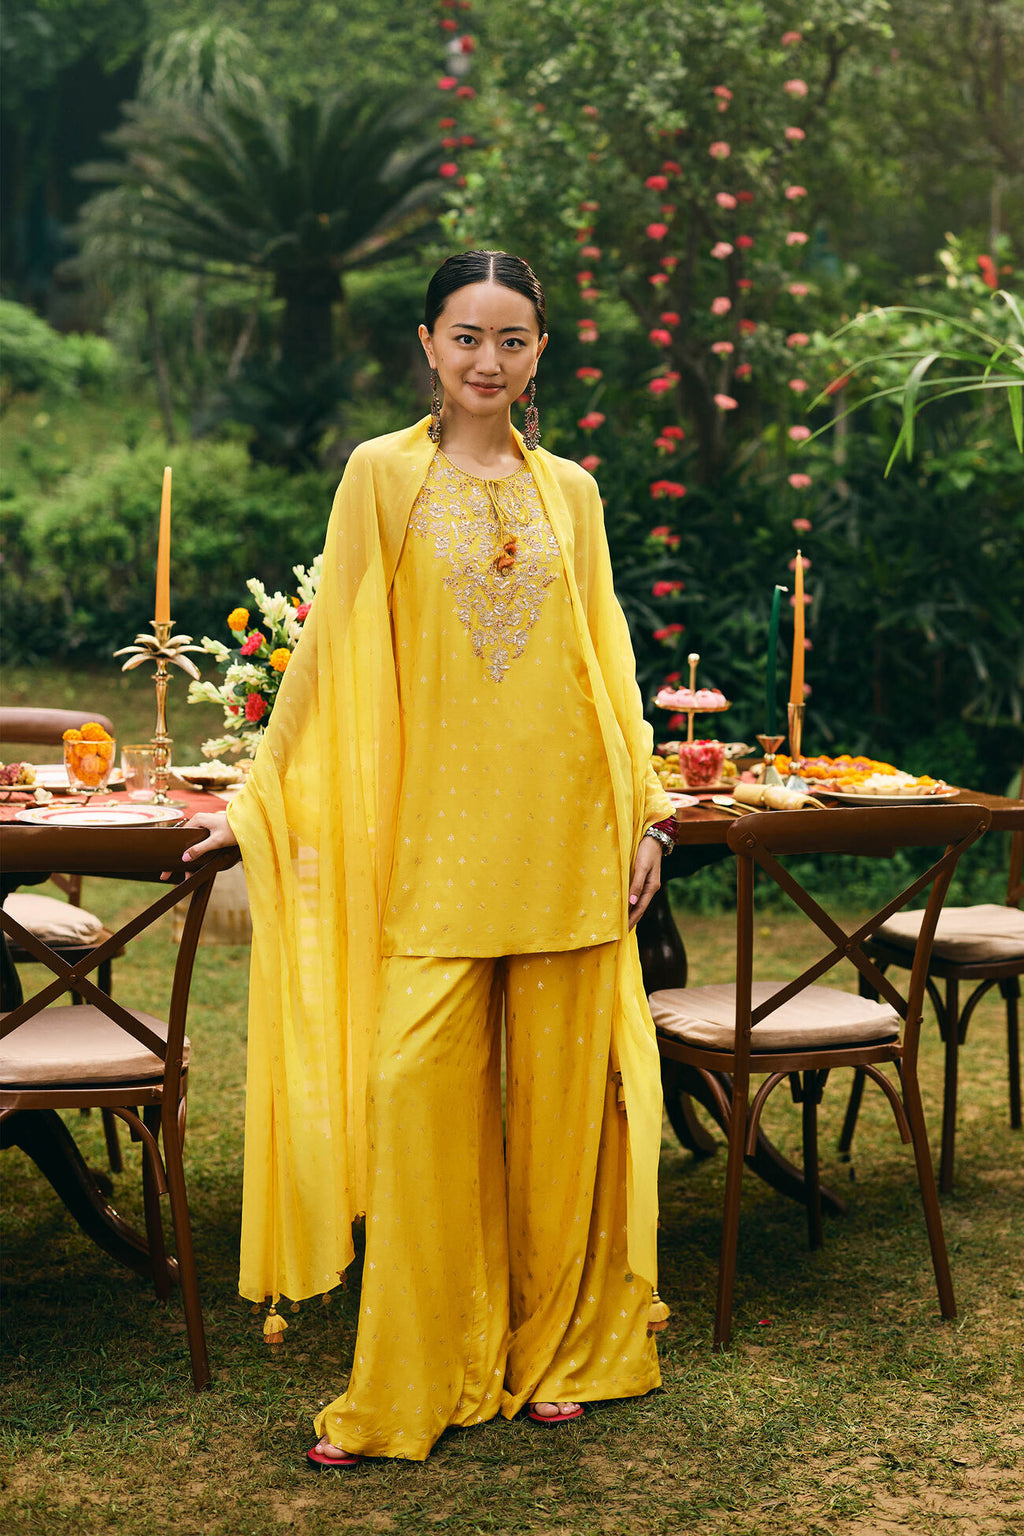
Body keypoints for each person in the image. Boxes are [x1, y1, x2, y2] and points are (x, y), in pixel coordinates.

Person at [181, 250, 676, 1467]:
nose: (486, 361)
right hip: (437, 851)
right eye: (466, 336)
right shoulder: (380, 475)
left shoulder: (572, 493)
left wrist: (650, 815)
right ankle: (418, 1371)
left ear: (540, 352)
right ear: (426, 344)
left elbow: (607, 656)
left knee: (564, 1119)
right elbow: (329, 650)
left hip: (567, 835)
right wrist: (257, 798)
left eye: (511, 339)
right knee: (415, 1098)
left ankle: (560, 1348)